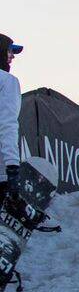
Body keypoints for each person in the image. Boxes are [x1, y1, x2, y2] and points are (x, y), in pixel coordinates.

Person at [0, 35, 21, 198]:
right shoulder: (7, 81)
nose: (12, 56)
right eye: (9, 51)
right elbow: (8, 124)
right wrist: (12, 166)